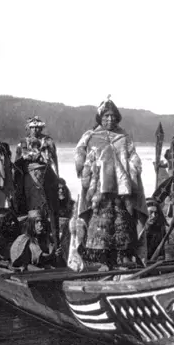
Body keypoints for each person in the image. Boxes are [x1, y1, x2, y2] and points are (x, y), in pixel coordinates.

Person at [71, 96, 148, 270]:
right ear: (100, 117)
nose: (110, 119)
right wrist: (83, 166)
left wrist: (135, 166)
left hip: (121, 188)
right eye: (106, 116)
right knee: (100, 221)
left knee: (122, 219)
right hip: (98, 188)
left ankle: (122, 256)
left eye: (113, 116)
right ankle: (100, 259)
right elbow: (80, 153)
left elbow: (132, 155)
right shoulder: (90, 136)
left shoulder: (123, 137)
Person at [14, 116, 60, 241]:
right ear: (28, 128)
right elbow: (17, 162)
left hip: (45, 174)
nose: (35, 130)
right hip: (29, 176)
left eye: (37, 127)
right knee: (31, 204)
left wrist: (57, 178)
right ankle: (32, 234)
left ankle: (46, 232)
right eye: (32, 127)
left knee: (46, 204)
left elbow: (53, 160)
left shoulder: (47, 141)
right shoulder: (23, 142)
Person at [57, 178, 76, 265]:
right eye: (58, 189)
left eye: (63, 188)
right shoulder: (50, 205)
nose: (61, 191)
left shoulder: (71, 204)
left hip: (68, 235)